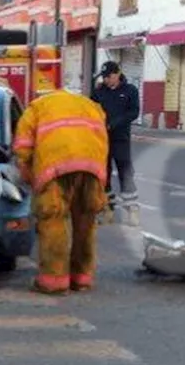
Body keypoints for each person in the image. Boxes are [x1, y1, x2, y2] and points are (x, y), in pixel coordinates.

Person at [13, 88, 110, 294]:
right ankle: (82, 277)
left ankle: (54, 280)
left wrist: (27, 171)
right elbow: (102, 138)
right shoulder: (90, 107)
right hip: (91, 167)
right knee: (86, 222)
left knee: (53, 222)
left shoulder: (36, 108)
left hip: (54, 168)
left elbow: (23, 146)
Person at [92, 60, 141, 226]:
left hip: (120, 138)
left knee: (125, 173)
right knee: (103, 175)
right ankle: (107, 210)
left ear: (117, 74)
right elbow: (91, 108)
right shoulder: (99, 92)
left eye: (109, 76)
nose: (106, 80)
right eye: (104, 77)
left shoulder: (130, 91)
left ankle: (132, 211)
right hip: (101, 140)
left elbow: (133, 112)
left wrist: (115, 123)